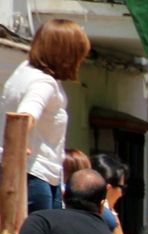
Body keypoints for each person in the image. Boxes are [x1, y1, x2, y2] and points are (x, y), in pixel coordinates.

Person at [1, 18, 90, 214]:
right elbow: (27, 114)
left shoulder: (24, 71)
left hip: (38, 174)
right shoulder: (44, 83)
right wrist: (19, 142)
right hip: (36, 175)